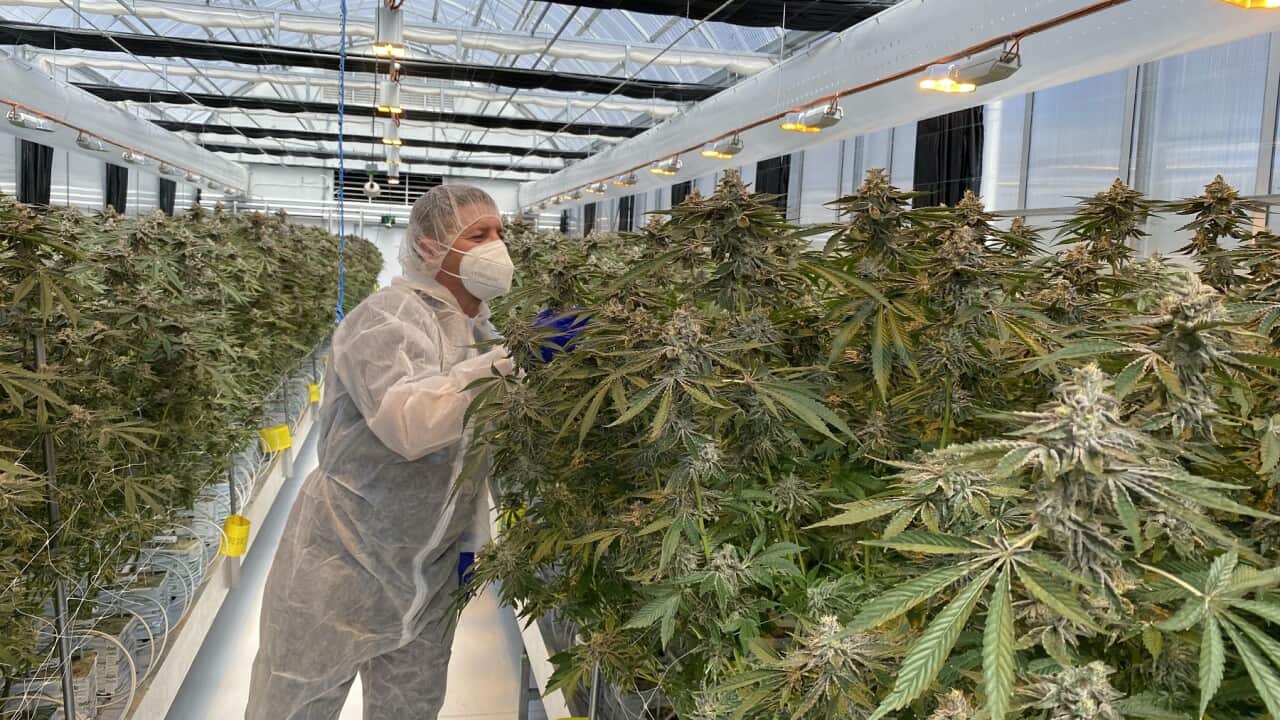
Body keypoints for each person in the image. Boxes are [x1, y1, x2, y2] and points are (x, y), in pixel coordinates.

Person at [246, 185, 517, 720]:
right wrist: (512, 363)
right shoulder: (384, 318)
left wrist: (473, 543)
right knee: (296, 703)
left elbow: (470, 461)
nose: (497, 245)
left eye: (500, 232)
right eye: (479, 234)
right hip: (343, 561)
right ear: (428, 246)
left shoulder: (484, 334)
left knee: (410, 708)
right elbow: (410, 423)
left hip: (430, 570)